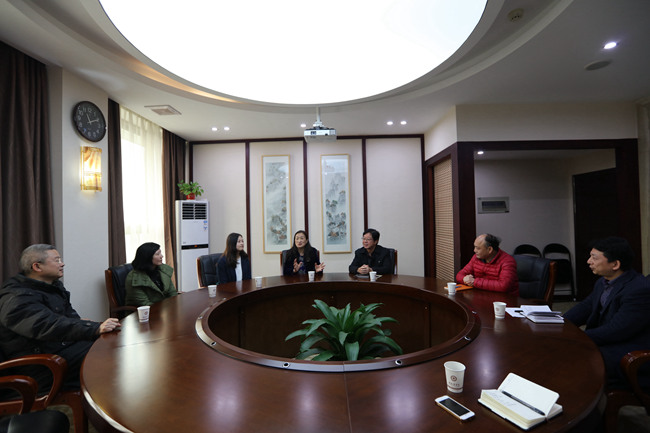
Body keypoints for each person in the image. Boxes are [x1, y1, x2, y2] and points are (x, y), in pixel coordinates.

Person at [0, 244, 120, 391]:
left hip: (62, 347)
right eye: (56, 260)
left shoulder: (53, 286)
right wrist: (93, 328)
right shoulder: (16, 297)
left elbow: (70, 316)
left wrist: (87, 326)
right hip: (43, 363)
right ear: (37, 266)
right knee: (109, 354)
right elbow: (46, 325)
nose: (62, 264)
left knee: (112, 342)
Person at [563, 237, 650, 391]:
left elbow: (618, 329)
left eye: (594, 258)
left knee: (575, 358)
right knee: (562, 349)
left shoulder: (639, 289)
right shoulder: (603, 282)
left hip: (630, 349)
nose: (589, 261)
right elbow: (585, 307)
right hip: (609, 340)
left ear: (615, 264)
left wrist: (576, 337)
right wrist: (559, 324)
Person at [125, 242, 177, 306]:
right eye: (157, 254)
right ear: (147, 257)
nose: (161, 256)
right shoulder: (133, 278)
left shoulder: (163, 270)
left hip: (164, 307)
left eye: (160, 253)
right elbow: (144, 303)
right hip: (144, 311)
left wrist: (175, 305)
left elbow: (172, 293)